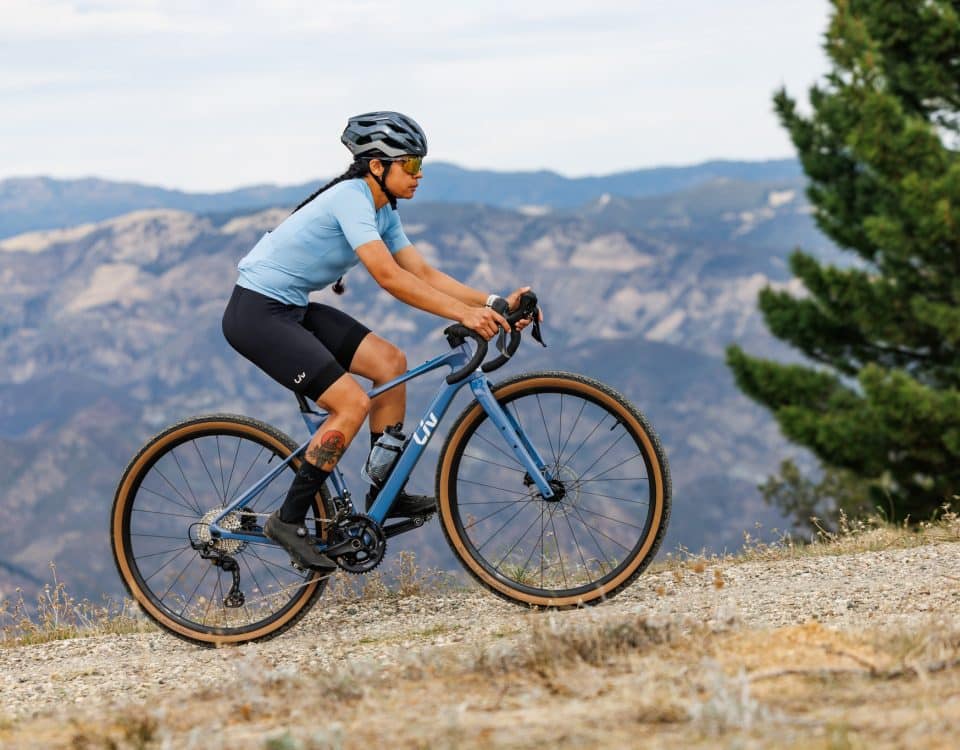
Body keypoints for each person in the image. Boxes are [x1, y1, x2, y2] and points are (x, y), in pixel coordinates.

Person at [221, 111, 539, 573]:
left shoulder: (382, 209)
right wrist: (465, 314)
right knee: (351, 404)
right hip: (256, 314)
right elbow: (389, 277)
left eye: (420, 165)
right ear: (376, 166)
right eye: (409, 165)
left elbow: (422, 273)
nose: (419, 174)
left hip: (291, 307)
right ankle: (286, 521)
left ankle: (381, 493)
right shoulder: (351, 199)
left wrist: (496, 303)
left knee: (391, 362)